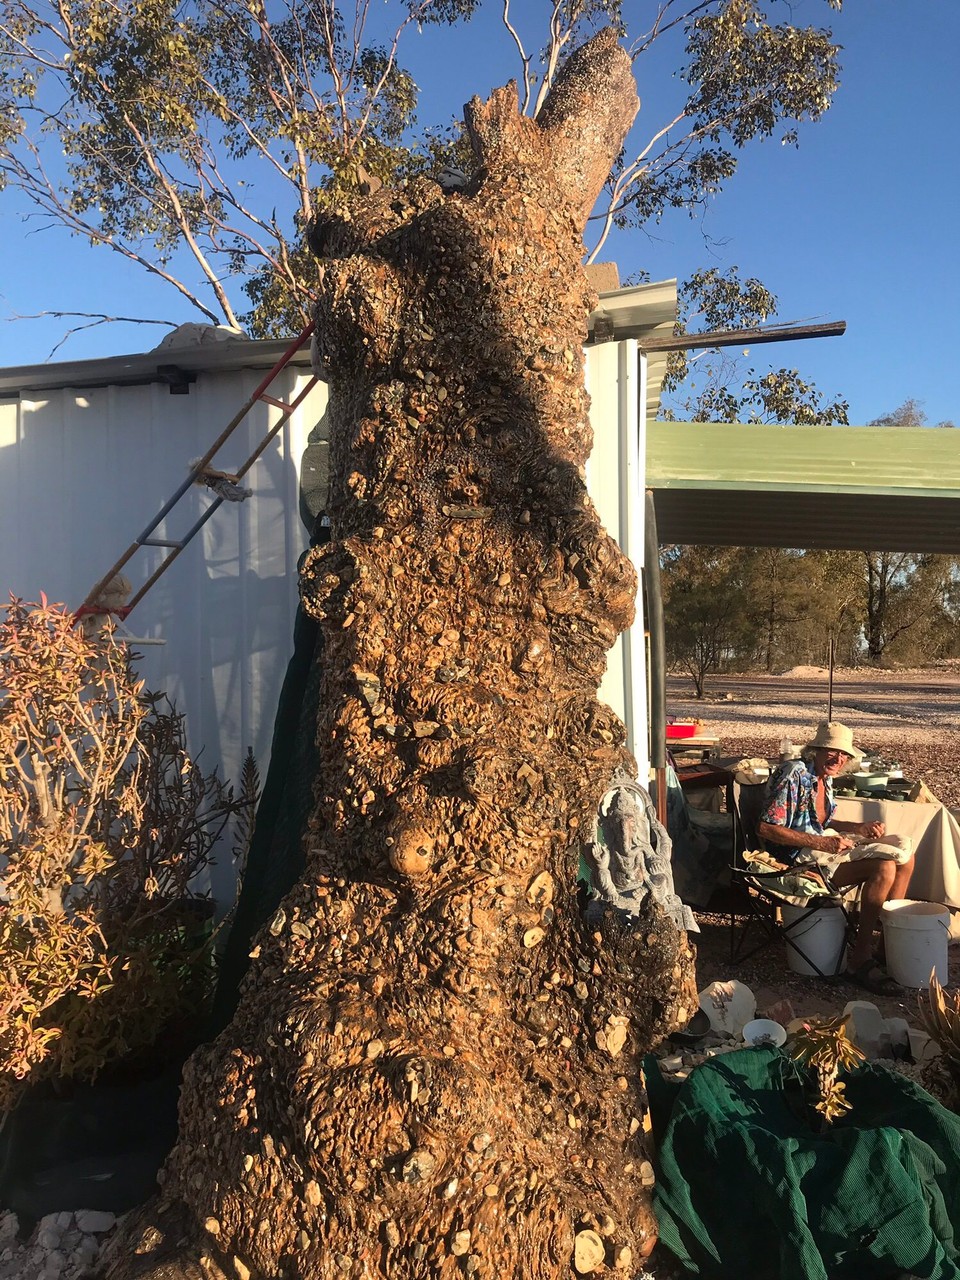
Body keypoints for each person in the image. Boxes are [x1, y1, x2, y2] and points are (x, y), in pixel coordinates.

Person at [757, 721, 915, 996]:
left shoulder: (824, 778)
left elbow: (819, 821)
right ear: (815, 749)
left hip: (820, 849)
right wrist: (822, 842)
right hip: (794, 861)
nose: (838, 759)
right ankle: (860, 959)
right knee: (884, 868)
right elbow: (766, 828)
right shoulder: (794, 772)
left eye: (844, 755)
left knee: (905, 858)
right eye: (831, 751)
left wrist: (857, 829)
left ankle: (883, 950)